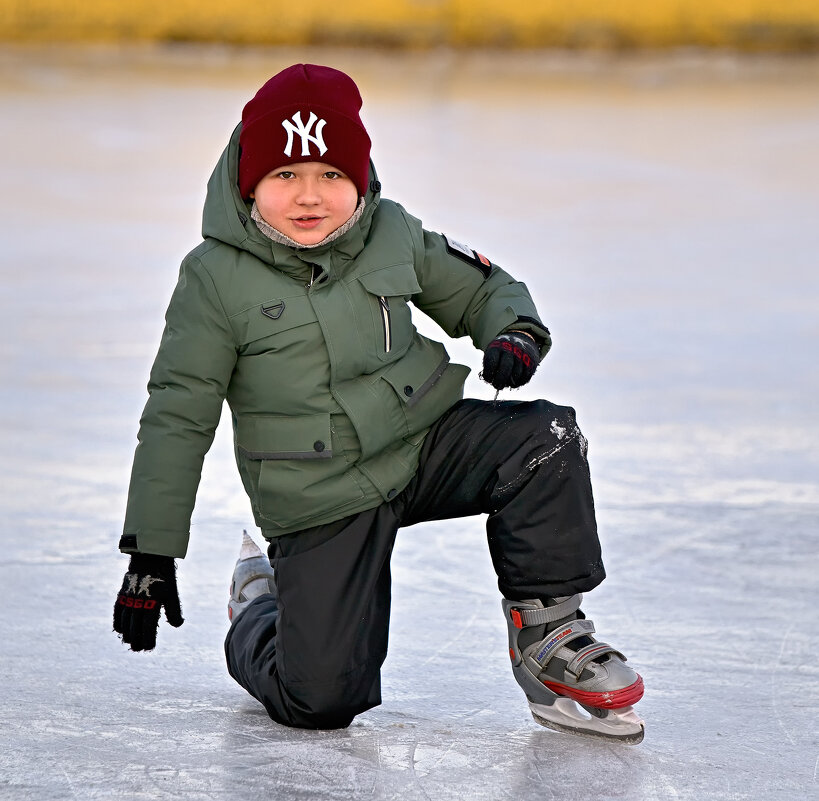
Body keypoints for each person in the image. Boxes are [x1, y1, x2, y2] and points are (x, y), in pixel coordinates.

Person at [113, 63, 645, 744]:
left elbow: (484, 289)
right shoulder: (214, 279)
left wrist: (512, 332)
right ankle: (256, 603)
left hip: (421, 439)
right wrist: (152, 552)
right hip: (318, 489)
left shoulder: (390, 232)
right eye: (285, 175)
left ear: (359, 178)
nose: (309, 197)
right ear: (249, 181)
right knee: (321, 700)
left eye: (331, 174)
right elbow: (177, 415)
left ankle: (550, 636)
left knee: (544, 439)